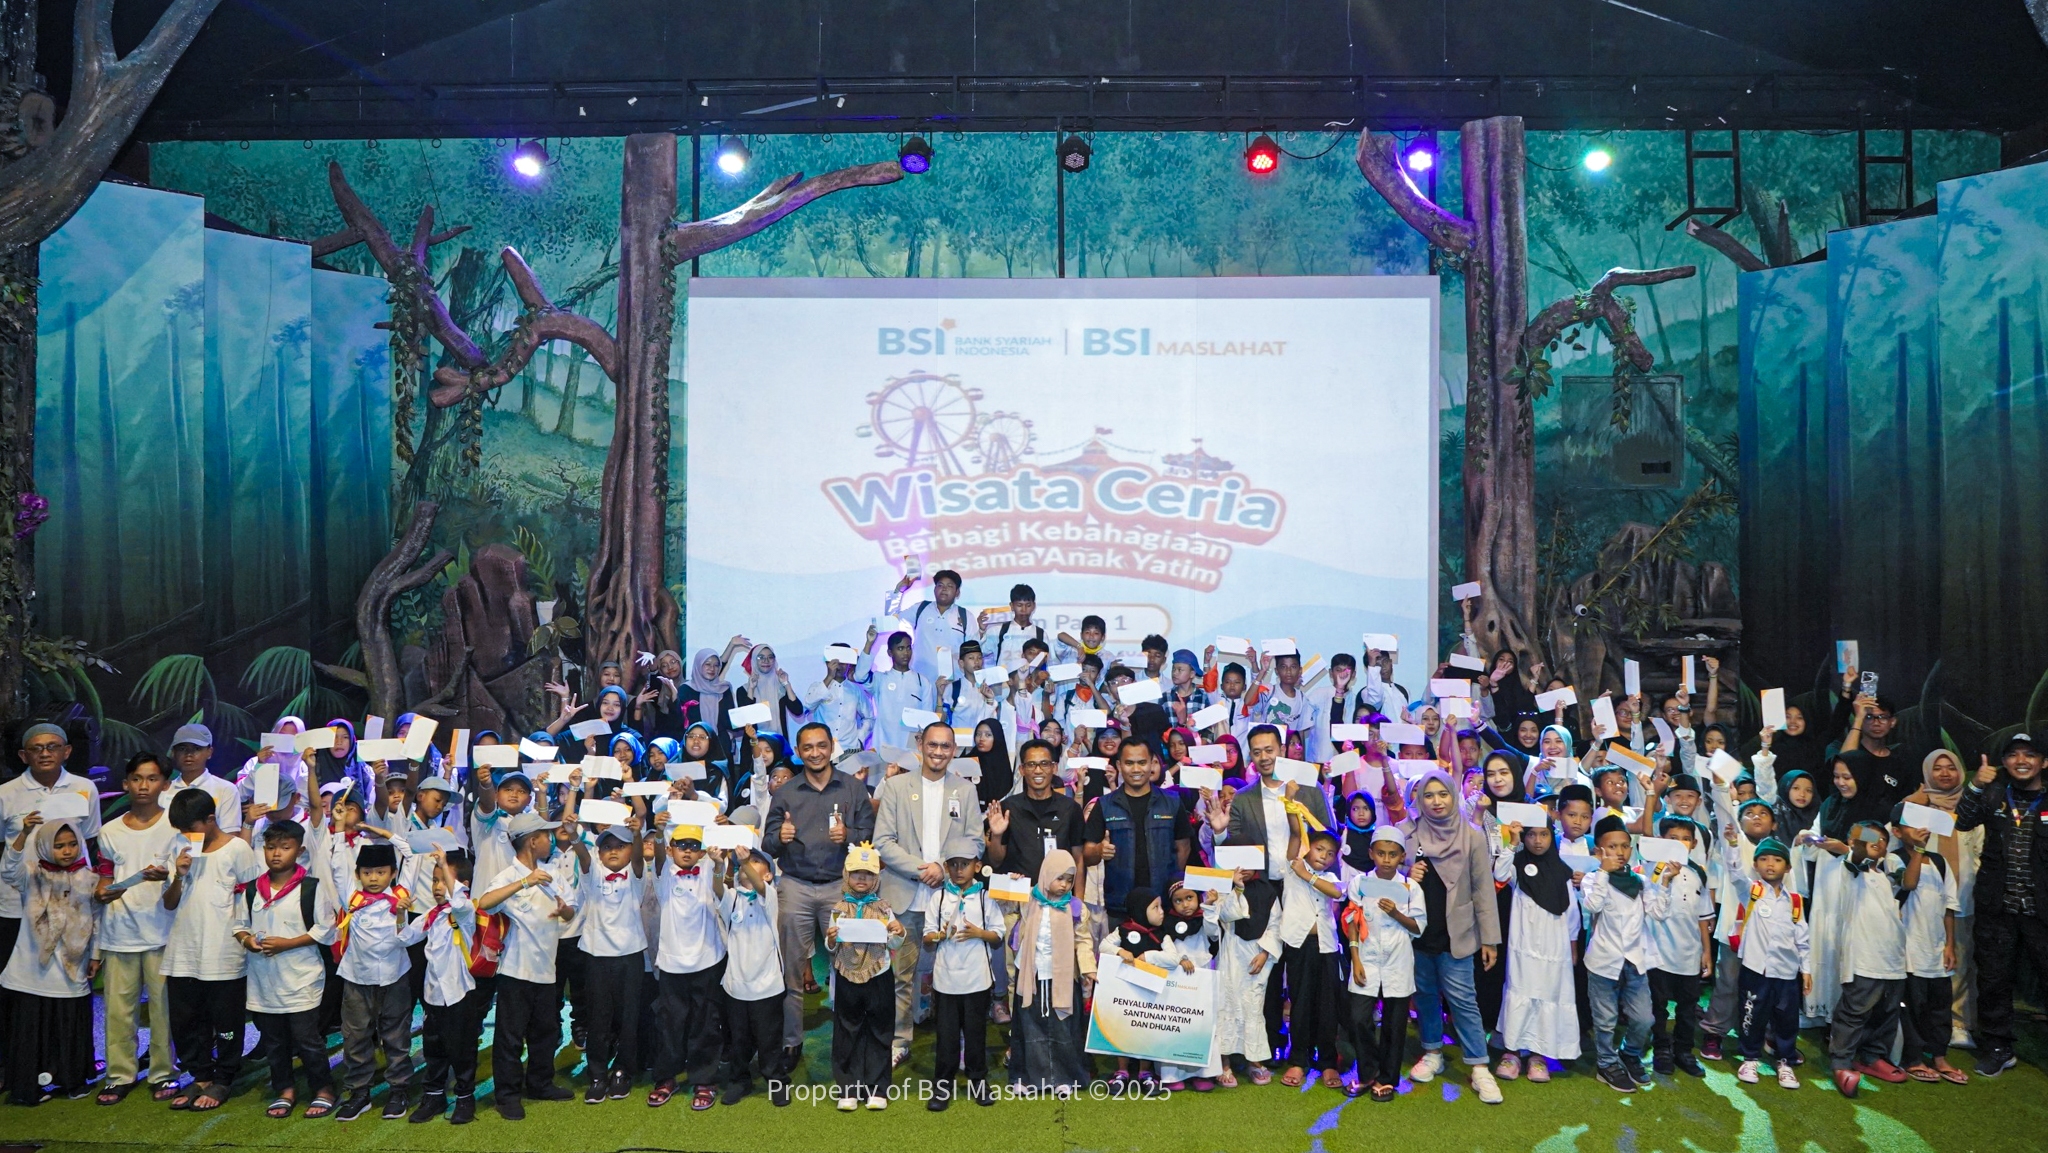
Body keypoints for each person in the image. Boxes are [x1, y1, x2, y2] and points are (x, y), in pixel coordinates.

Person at [874, 722, 985, 1064]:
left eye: (945, 746)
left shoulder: (965, 791)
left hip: (951, 897)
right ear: (920, 745)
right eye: (932, 745)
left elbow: (976, 841)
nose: (938, 752)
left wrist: (942, 867)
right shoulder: (896, 786)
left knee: (956, 976)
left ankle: (956, 1043)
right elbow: (883, 842)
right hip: (905, 893)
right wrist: (923, 869)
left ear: (954, 750)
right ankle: (899, 1041)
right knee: (900, 975)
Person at [763, 722, 875, 1061]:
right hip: (795, 886)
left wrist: (850, 836)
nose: (815, 753)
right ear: (798, 752)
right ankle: (791, 1041)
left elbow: (870, 836)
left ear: (831, 747)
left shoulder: (853, 789)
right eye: (808, 747)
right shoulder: (786, 792)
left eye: (821, 746)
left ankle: (850, 1040)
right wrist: (779, 838)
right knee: (791, 970)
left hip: (841, 887)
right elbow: (767, 844)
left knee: (851, 967)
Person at [0, 720, 103, 1072]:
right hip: (16, 904)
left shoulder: (84, 788)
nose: (45, 753)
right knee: (18, 991)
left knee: (69, 984)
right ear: (22, 755)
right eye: (37, 748)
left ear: (67, 751)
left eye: (53, 746)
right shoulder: (6, 793)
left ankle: (71, 1067)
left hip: (69, 905)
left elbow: (88, 840)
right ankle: (15, 1067)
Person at [1398, 769, 1504, 1104]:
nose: (1436, 801)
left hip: (1456, 934)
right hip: (1417, 934)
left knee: (1463, 1001)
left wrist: (1490, 939)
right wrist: (1405, 873)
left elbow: (1483, 890)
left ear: (1453, 795)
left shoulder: (1472, 835)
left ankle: (1479, 1066)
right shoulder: (1407, 832)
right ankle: (1433, 1052)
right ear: (1419, 799)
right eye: (1428, 795)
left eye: (1442, 794)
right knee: (1426, 996)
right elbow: (1384, 874)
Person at [160, 787, 264, 1111]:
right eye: (181, 829)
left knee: (227, 1022)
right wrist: (179, 875)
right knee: (186, 1021)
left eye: (190, 827)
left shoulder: (237, 849)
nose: (186, 834)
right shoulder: (180, 848)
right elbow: (168, 903)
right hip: (183, 951)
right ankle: (201, 1076)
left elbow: (254, 899)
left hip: (224, 952)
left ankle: (224, 1077)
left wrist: (248, 939)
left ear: (210, 819)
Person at [1955, 732, 2048, 1077]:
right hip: (1997, 909)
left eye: (2030, 754)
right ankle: (1998, 1047)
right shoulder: (1994, 794)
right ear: (2004, 762)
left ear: (2044, 762)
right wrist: (1975, 785)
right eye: (2013, 755)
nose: (2021, 761)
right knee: (1994, 980)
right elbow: (1963, 820)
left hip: (2042, 912)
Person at [477, 811, 577, 1120]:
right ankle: (507, 1095)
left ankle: (540, 1084)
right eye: (546, 836)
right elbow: (485, 903)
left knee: (545, 1032)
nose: (550, 840)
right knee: (509, 1037)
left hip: (547, 969)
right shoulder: (508, 875)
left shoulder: (553, 873)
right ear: (532, 841)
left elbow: (570, 912)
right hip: (515, 971)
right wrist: (524, 882)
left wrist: (564, 911)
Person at [236, 819, 337, 1119]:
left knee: (307, 1039)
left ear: (300, 851)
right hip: (264, 979)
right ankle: (285, 1089)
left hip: (301, 977)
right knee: (274, 1040)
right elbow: (239, 925)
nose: (276, 853)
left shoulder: (311, 887)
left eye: (284, 847)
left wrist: (288, 944)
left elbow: (325, 929)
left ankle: (323, 1088)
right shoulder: (253, 889)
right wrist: (247, 940)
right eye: (270, 847)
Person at [93, 752, 179, 1104]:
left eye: (152, 778)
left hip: (163, 931)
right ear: (125, 784)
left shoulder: (175, 826)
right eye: (137, 779)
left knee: (163, 1010)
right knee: (118, 1011)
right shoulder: (109, 831)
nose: (144, 785)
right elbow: (104, 876)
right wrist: (103, 892)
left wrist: (169, 877)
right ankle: (119, 1075)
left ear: (165, 784)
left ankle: (163, 1073)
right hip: (119, 931)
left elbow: (187, 875)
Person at [2, 815, 98, 1105]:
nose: (67, 851)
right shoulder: (31, 874)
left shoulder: (88, 878)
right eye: (59, 846)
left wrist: (95, 956)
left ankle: (72, 1081)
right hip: (32, 968)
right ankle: (31, 1086)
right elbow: (8, 869)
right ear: (45, 847)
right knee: (33, 1027)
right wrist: (24, 833)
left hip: (72, 966)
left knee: (69, 1023)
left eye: (72, 844)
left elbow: (97, 920)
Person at [1578, 814, 1676, 1093]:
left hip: (1635, 962)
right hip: (1603, 962)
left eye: (1624, 846)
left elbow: (1658, 913)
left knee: (1644, 1018)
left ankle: (1630, 1054)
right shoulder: (1592, 879)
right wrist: (1603, 872)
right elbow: (1592, 906)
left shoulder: (1641, 881)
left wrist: (1665, 882)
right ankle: (1607, 1064)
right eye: (1612, 847)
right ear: (1599, 851)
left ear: (1631, 849)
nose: (1619, 852)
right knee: (1605, 1020)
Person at [325, 839, 416, 1120]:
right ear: (358, 875)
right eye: (366, 873)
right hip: (356, 978)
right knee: (355, 1037)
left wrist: (392, 837)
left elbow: (412, 857)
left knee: (397, 1036)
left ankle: (398, 1090)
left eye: (380, 872)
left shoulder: (402, 895)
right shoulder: (352, 898)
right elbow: (338, 867)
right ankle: (359, 1093)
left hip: (395, 976)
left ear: (393, 873)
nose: (373, 878)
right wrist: (339, 832)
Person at [1490, 814, 1580, 1082]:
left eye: (1544, 834)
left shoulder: (1562, 871)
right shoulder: (1517, 864)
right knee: (1521, 990)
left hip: (1555, 948)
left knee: (1547, 995)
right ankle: (1512, 1052)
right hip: (1523, 945)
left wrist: (1573, 945)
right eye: (1531, 835)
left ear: (1552, 836)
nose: (1537, 841)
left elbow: (1571, 913)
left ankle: (1538, 1056)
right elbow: (1499, 873)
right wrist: (1512, 843)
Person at [1341, 825, 1424, 1101]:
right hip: (1365, 959)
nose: (1386, 860)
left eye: (1392, 854)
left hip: (1398, 961)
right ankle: (1368, 1073)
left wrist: (1397, 913)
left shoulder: (1411, 887)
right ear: (1371, 854)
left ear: (1402, 856)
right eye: (1380, 853)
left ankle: (1387, 1078)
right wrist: (1355, 959)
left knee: (1394, 1024)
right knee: (1358, 1019)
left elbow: (1418, 927)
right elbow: (1352, 921)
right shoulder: (1359, 883)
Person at [648, 819, 726, 1110]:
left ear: (702, 852)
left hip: (707, 959)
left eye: (694, 846)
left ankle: (704, 1080)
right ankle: (666, 1077)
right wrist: (658, 833)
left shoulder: (709, 868)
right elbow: (657, 857)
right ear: (670, 849)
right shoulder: (664, 873)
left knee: (706, 1024)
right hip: (672, 962)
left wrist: (718, 862)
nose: (688, 850)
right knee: (669, 1023)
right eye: (681, 845)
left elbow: (720, 886)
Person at [406, 848, 487, 1125]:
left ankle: (465, 1098)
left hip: (459, 992)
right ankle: (434, 1096)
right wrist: (400, 913)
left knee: (462, 1049)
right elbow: (404, 937)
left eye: (443, 880)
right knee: (433, 1048)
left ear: (462, 884)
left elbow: (461, 904)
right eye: (434, 880)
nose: (437, 887)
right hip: (433, 994)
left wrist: (443, 861)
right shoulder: (431, 914)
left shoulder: (464, 911)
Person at [1007, 848, 1095, 1095]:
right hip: (1031, 975)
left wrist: (1088, 968)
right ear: (1046, 874)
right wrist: (1011, 885)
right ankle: (1026, 1079)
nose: (1065, 885)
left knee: (1063, 1028)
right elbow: (1003, 907)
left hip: (1062, 978)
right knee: (1028, 1026)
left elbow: (1083, 940)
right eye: (1059, 878)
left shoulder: (1076, 908)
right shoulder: (1027, 898)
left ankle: (1064, 1078)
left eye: (1069, 879)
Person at [571, 822, 648, 1104]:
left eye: (620, 846)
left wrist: (637, 835)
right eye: (606, 847)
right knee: (598, 1017)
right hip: (596, 955)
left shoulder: (636, 874)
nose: (613, 851)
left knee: (629, 1017)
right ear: (599, 853)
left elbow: (638, 859)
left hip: (630, 954)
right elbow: (583, 857)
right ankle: (597, 1074)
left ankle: (623, 1071)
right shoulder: (593, 874)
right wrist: (575, 837)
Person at [826, 842, 905, 1111]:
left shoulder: (884, 908)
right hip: (847, 975)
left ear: (876, 879)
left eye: (869, 874)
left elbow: (894, 944)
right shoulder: (838, 909)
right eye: (857, 873)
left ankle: (877, 1089)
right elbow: (830, 946)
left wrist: (898, 931)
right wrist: (831, 940)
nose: (862, 879)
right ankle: (848, 1088)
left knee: (880, 1030)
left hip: (879, 973)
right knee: (846, 1029)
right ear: (846, 875)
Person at [925, 834, 1002, 1109]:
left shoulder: (985, 898)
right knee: (945, 1036)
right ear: (946, 867)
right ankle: (942, 1085)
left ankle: (978, 1080)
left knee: (976, 1034)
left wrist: (979, 933)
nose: (959, 870)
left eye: (965, 864)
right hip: (945, 981)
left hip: (977, 979)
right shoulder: (938, 898)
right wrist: (940, 935)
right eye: (953, 864)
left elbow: (998, 936)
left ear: (977, 866)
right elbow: (927, 939)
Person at [1089, 737, 1193, 934]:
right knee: (1119, 953)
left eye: (1142, 762)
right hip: (1120, 906)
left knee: (1164, 953)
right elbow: (1087, 853)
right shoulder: (1104, 805)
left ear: (1152, 764)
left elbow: (1183, 848)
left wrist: (1170, 885)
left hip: (1163, 904)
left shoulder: (1172, 802)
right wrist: (1099, 850)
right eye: (1129, 763)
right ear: (1119, 765)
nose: (1136, 769)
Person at [1914, 748, 1982, 1049]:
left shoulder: (1973, 809)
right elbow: (1890, 838)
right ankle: (1921, 1023)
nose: (1944, 773)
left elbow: (1981, 853)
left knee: (1960, 964)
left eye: (1951, 767)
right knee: (1922, 963)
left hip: (1963, 901)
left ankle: (1959, 1024)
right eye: (1938, 768)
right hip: (1922, 903)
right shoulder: (1917, 808)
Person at [716, 826, 788, 1107]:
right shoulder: (732, 897)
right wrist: (718, 865)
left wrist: (744, 861)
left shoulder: (769, 896)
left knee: (770, 1038)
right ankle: (739, 1080)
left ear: (768, 875)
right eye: (747, 862)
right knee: (738, 1039)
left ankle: (775, 1079)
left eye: (758, 862)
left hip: (768, 984)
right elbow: (716, 889)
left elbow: (758, 886)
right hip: (736, 985)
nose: (750, 864)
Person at [1731, 837, 1810, 1089]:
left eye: (1777, 860)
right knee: (1751, 1014)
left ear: (1788, 867)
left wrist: (1806, 969)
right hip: (1756, 969)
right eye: (1763, 859)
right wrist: (1732, 844)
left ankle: (1785, 1062)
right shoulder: (1751, 892)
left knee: (1787, 1019)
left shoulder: (1795, 901)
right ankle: (1750, 1058)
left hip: (1786, 972)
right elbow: (1735, 873)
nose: (1770, 864)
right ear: (1755, 865)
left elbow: (1802, 938)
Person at [1644, 816, 1715, 1077]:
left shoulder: (1698, 872)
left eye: (1685, 839)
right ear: (1661, 840)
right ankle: (1661, 1049)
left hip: (1689, 954)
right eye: (1673, 839)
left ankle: (1684, 1051)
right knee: (1659, 1006)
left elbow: (1702, 918)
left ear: (1694, 843)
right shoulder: (1651, 868)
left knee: (1687, 1008)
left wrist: (1706, 952)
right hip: (1659, 953)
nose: (1679, 844)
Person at [1277, 826, 1345, 1089]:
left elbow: (1337, 893)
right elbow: (1295, 834)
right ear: (1308, 848)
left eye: (1330, 853)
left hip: (1327, 946)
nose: (1324, 856)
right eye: (1319, 849)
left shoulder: (1330, 878)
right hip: (1299, 944)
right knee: (1301, 1001)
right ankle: (1298, 1060)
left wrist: (1308, 875)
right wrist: (1293, 809)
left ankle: (1327, 1061)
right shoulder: (1292, 868)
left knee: (1328, 1005)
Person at [167, 723, 243, 834]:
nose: (189, 754)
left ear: (209, 752)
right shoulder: (163, 791)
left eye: (197, 748)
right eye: (182, 748)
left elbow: (230, 835)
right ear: (173, 752)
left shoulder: (226, 790)